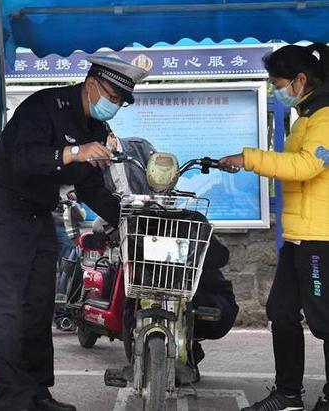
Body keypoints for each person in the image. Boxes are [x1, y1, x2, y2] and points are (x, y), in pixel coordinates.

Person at [0, 57, 148, 411]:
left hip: (39, 213)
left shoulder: (95, 129)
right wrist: (72, 152)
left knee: (39, 306)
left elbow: (90, 187)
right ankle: (12, 400)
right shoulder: (44, 106)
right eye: (112, 95)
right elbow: (22, 159)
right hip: (3, 210)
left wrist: (131, 220)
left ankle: (38, 393)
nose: (113, 104)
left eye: (120, 101)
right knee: (9, 309)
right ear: (91, 84)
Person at [219, 43, 329, 411]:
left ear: (301, 79)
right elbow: (293, 162)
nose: (276, 90)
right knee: (280, 312)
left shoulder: (326, 117)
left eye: (278, 83)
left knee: (325, 322)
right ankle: (288, 395)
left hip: (321, 239)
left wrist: (249, 158)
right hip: (298, 239)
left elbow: (305, 166)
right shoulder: (306, 117)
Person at [92, 132, 239, 381]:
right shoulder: (186, 222)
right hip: (162, 297)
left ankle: (188, 348)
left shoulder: (146, 224)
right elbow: (220, 257)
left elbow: (218, 257)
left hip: (186, 300)